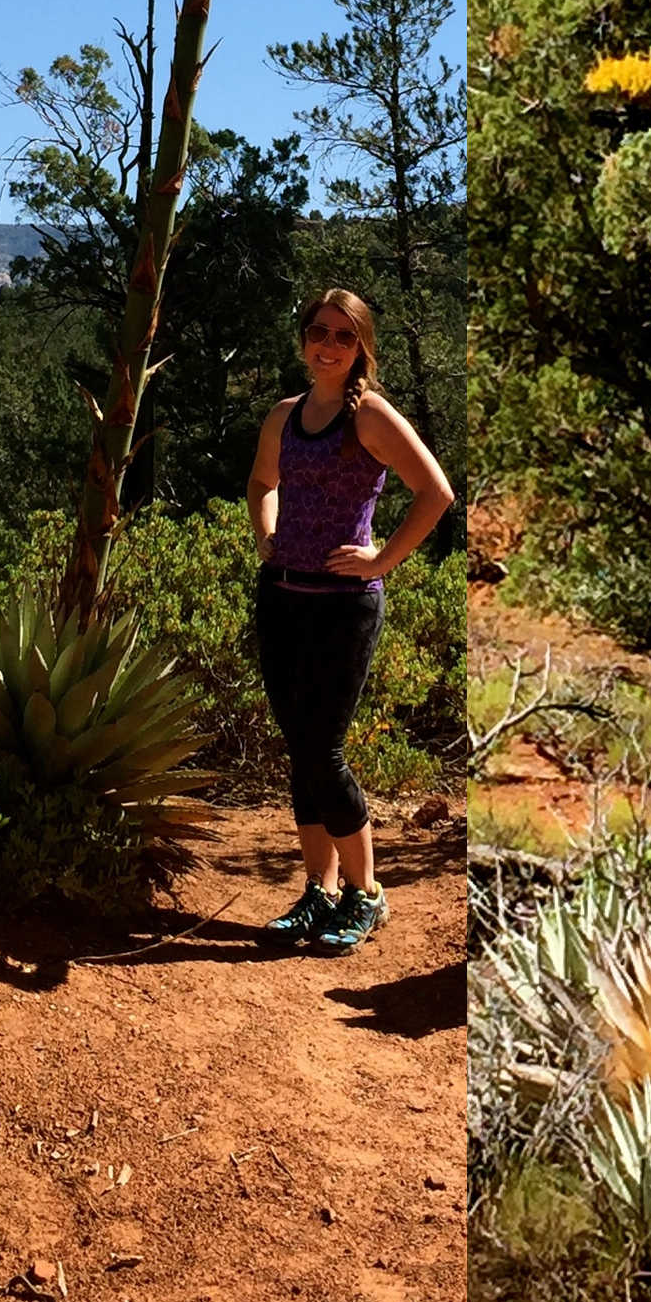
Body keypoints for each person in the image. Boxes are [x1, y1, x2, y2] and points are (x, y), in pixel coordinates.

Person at [246, 289, 453, 953]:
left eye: (343, 335)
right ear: (303, 338)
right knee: (300, 749)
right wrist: (265, 535)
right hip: (281, 596)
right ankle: (319, 890)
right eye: (318, 332)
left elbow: (436, 492)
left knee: (324, 751)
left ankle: (366, 894)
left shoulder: (369, 417)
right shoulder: (284, 415)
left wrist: (381, 558)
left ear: (361, 345)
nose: (328, 346)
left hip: (343, 607)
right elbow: (260, 483)